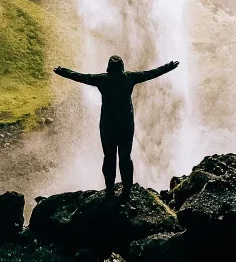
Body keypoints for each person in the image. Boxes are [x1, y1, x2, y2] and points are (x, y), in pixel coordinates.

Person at [53, 55, 179, 202]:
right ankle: (126, 193)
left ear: (109, 67)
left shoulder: (102, 79)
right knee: (125, 158)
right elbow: (150, 73)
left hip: (108, 125)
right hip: (125, 124)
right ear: (122, 67)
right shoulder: (128, 78)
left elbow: (81, 77)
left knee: (109, 158)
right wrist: (168, 66)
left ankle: (110, 190)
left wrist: (63, 71)